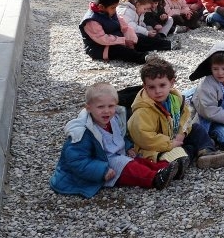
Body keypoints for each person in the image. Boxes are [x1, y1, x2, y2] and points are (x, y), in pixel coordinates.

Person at [50, 82, 179, 197]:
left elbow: (119, 136)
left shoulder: (114, 119)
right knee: (131, 168)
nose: (106, 111)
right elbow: (76, 160)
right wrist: (102, 171)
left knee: (138, 161)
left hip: (116, 157)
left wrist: (128, 147)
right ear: (88, 108)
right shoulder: (83, 132)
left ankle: (165, 168)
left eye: (111, 106)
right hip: (101, 165)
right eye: (100, 107)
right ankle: (155, 178)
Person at [128, 56, 224, 173]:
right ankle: (187, 158)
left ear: (172, 83)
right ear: (145, 87)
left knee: (196, 129)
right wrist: (170, 144)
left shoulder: (175, 99)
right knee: (174, 154)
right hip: (156, 146)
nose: (158, 91)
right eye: (152, 87)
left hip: (174, 136)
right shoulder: (143, 111)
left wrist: (182, 133)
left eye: (162, 85)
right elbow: (144, 138)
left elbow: (186, 117)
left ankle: (207, 152)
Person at [79, 0, 149, 63]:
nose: (115, 10)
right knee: (120, 50)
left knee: (139, 38)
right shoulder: (91, 20)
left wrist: (131, 39)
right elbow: (103, 39)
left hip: (117, 39)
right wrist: (123, 41)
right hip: (100, 47)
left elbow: (124, 26)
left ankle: (157, 45)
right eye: (113, 8)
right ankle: (144, 58)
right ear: (101, 7)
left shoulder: (109, 11)